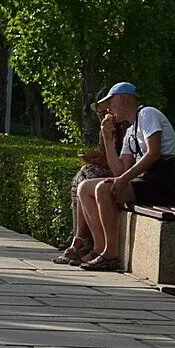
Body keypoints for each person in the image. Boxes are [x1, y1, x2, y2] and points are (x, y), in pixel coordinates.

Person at [73, 82, 175, 272]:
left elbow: (153, 153)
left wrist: (124, 179)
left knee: (103, 189)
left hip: (163, 185)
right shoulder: (130, 132)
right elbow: (119, 171)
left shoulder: (148, 114)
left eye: (110, 102)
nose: (108, 108)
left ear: (122, 98)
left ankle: (111, 254)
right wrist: (107, 139)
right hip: (144, 183)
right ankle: (99, 247)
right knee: (85, 188)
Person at [55, 96, 129, 266]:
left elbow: (121, 165)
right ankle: (79, 239)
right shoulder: (105, 127)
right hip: (111, 171)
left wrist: (101, 159)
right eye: (99, 112)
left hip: (121, 175)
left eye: (104, 111)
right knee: (81, 178)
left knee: (88, 175)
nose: (102, 115)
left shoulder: (125, 127)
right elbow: (106, 153)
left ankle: (82, 242)